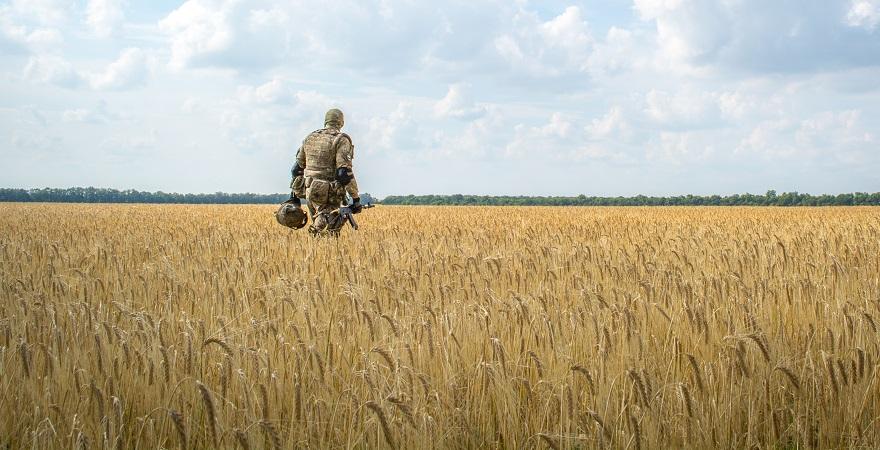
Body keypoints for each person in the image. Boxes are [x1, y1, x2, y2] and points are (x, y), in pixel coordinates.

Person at [285, 108, 362, 236]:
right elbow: (344, 173)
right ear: (341, 122)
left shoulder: (310, 138)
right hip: (329, 192)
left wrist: (294, 196)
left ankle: (314, 249)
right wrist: (356, 198)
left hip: (310, 190)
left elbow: (296, 169)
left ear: (326, 121)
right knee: (329, 229)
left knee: (320, 228)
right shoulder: (341, 139)